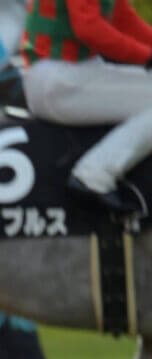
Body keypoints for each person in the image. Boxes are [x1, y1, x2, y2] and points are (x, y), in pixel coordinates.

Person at [19, 0, 152, 216]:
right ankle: (94, 173)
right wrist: (146, 56)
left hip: (68, 72)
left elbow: (122, 20)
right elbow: (88, 27)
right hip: (59, 78)